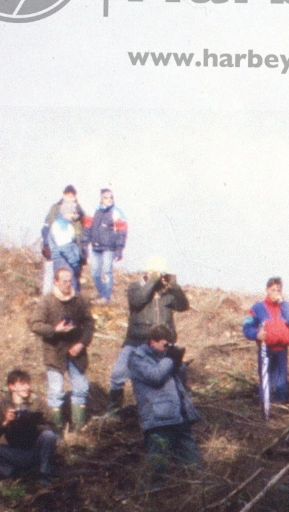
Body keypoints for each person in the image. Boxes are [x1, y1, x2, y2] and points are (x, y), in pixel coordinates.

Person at [110, 255, 189, 414]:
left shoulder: (166, 292)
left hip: (162, 344)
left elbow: (183, 306)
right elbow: (138, 301)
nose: (161, 277)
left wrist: (175, 287)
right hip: (137, 341)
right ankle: (114, 410)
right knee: (118, 374)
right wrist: (152, 281)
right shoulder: (135, 287)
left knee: (178, 372)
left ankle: (181, 407)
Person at [125, 322, 202, 471]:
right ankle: (148, 493)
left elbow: (181, 383)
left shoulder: (167, 358)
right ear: (153, 341)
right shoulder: (137, 359)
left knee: (193, 463)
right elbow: (155, 376)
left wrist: (179, 364)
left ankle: (194, 492)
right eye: (165, 345)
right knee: (157, 466)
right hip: (158, 421)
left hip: (179, 417)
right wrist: (170, 360)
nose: (168, 349)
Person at [30, 265, 95, 432]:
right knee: (56, 392)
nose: (68, 283)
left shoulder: (79, 300)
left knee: (81, 388)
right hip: (54, 351)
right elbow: (35, 325)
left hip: (75, 352)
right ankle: (57, 432)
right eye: (64, 280)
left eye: (70, 280)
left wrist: (82, 343)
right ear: (56, 281)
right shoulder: (47, 301)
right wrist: (54, 330)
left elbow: (89, 323)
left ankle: (78, 428)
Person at [244, 277, 289, 414]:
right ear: (267, 290)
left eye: (278, 290)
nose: (276, 292)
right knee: (266, 379)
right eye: (273, 290)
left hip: (282, 350)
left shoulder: (287, 306)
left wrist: (283, 303)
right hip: (265, 349)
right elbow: (247, 327)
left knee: (281, 380)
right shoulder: (257, 308)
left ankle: (280, 409)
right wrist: (256, 335)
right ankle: (265, 409)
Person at [38, 185, 87, 294]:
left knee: (74, 278)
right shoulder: (55, 209)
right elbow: (47, 227)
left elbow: (84, 230)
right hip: (62, 251)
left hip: (74, 250)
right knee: (57, 275)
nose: (70, 197)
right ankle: (48, 296)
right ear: (63, 195)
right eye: (68, 195)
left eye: (72, 195)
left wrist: (82, 252)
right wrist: (46, 245)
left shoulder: (79, 211)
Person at [86, 189, 128, 304]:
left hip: (109, 247)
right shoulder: (94, 211)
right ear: (101, 199)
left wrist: (119, 248)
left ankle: (106, 297)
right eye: (106, 197)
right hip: (95, 246)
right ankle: (102, 292)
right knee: (95, 273)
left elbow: (122, 232)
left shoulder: (117, 212)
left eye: (111, 198)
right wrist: (84, 244)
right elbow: (87, 227)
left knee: (107, 271)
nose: (109, 200)